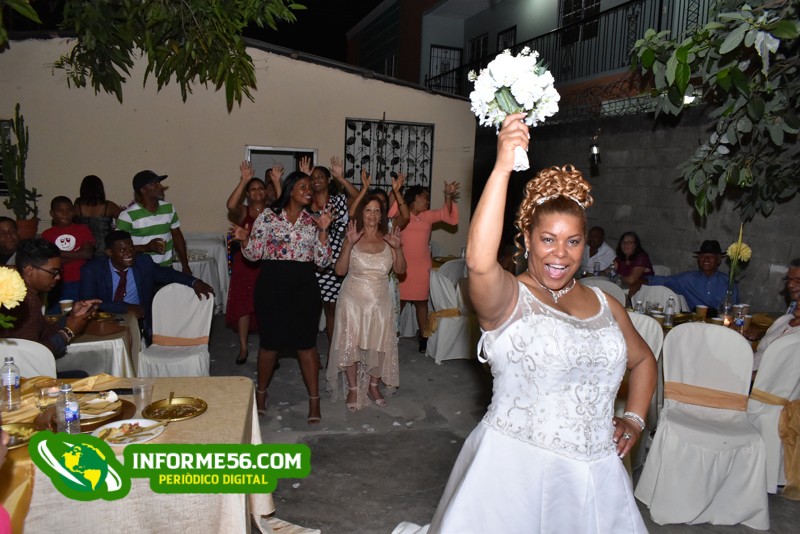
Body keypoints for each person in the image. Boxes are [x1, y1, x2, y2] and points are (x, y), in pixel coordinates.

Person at [395, 113, 655, 533]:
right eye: (548, 239)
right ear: (528, 239)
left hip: (596, 478)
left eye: (572, 241)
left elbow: (643, 361)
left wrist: (635, 419)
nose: (561, 253)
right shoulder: (509, 299)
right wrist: (502, 167)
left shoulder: (606, 304)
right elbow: (479, 263)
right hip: (515, 476)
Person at [232, 171, 332, 424]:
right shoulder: (268, 216)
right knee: (269, 344)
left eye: (310, 187)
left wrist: (323, 231)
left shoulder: (314, 220)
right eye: (303, 187)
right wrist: (244, 240)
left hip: (304, 287)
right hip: (272, 285)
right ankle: (261, 394)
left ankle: (314, 400)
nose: (309, 191)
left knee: (306, 345)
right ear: (290, 190)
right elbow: (254, 255)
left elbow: (322, 261)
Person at [326, 194, 406, 411]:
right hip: (352, 299)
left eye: (377, 210)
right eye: (368, 210)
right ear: (362, 213)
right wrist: (348, 245)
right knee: (350, 343)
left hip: (381, 300)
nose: (372, 214)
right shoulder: (352, 237)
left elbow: (400, 270)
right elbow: (339, 271)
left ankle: (373, 386)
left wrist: (398, 248)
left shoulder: (389, 239)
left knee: (379, 343)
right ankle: (353, 388)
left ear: (382, 216)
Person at [79, 230, 214, 344]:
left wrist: (195, 282)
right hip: (107, 320)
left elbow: (168, 274)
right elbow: (88, 302)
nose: (129, 253)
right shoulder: (92, 270)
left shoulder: (143, 263)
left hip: (139, 320)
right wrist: (125, 308)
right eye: (123, 250)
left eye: (131, 248)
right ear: (109, 252)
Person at [0, 238, 100, 360]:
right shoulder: (25, 301)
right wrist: (68, 332)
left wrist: (71, 317)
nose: (58, 277)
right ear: (29, 270)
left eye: (59, 271)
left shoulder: (27, 294)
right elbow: (31, 355)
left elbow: (41, 333)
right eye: (53, 272)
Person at [300, 156, 359, 354]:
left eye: (320, 177)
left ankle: (333, 353)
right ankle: (310, 352)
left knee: (331, 307)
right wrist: (303, 177)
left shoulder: (338, 201)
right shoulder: (304, 203)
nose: (316, 180)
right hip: (309, 262)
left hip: (333, 263)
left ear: (328, 180)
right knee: (309, 309)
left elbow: (358, 196)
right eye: (313, 177)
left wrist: (341, 178)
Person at [224, 160, 281, 364]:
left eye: (260, 188)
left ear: (266, 192)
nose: (257, 192)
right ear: (248, 193)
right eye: (253, 189)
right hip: (245, 265)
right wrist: (244, 180)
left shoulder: (272, 211)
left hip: (266, 265)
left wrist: (277, 182)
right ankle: (242, 348)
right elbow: (230, 205)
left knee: (267, 307)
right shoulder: (243, 211)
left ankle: (269, 348)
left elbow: (285, 203)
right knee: (244, 306)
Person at [394, 181, 460, 352]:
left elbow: (447, 216)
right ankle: (391, 334)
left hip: (422, 266)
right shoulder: (402, 214)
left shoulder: (428, 216)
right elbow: (390, 213)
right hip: (402, 266)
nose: (428, 201)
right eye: (425, 198)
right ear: (414, 198)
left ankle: (424, 337)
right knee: (398, 302)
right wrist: (397, 190)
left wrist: (448, 196)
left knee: (421, 302)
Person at [116, 170, 192, 274]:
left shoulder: (168, 208)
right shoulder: (128, 215)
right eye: (154, 184)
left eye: (159, 183)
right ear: (143, 190)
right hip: (141, 271)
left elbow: (177, 236)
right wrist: (146, 247)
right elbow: (118, 248)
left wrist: (185, 265)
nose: (160, 187)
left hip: (166, 269)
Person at [632, 239, 738, 312]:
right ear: (698, 259)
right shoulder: (688, 279)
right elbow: (665, 280)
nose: (706, 259)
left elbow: (735, 309)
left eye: (711, 256)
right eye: (703, 256)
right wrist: (642, 281)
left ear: (718, 260)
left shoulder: (728, 282)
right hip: (695, 324)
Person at [41, 196, 95, 312]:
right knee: (57, 313)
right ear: (52, 213)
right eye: (60, 211)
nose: (65, 214)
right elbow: (48, 261)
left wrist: (60, 254)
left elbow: (88, 254)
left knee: (81, 311)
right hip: (58, 282)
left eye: (69, 210)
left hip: (80, 279)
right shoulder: (47, 234)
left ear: (73, 212)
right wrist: (78, 254)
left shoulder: (82, 229)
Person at [750, 259, 800, 372]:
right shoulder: (785, 319)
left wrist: (745, 375)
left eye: (798, 280)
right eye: (788, 279)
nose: (790, 284)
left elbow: (782, 372)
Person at [73, 174, 123, 258]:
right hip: (105, 246)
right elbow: (126, 220)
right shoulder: (109, 206)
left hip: (83, 247)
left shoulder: (77, 207)